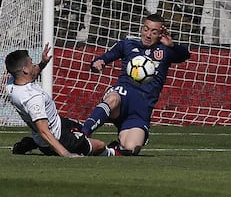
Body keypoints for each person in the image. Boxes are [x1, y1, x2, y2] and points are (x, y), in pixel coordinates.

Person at [81, 14, 190, 156]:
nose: (148, 35)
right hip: (122, 99)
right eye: (146, 29)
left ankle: (109, 149)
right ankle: (82, 134)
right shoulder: (127, 44)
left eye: (154, 32)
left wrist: (172, 45)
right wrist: (97, 64)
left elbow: (185, 55)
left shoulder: (165, 51)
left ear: (160, 35)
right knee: (113, 97)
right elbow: (102, 58)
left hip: (140, 111)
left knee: (130, 148)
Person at [5, 44, 117, 157]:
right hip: (59, 138)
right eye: (31, 63)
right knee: (100, 145)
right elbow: (44, 131)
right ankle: (114, 152)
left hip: (57, 122)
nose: (34, 64)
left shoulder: (12, 84)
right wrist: (66, 153)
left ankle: (31, 143)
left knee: (85, 131)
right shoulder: (32, 98)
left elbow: (31, 75)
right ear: (24, 70)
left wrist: (43, 63)